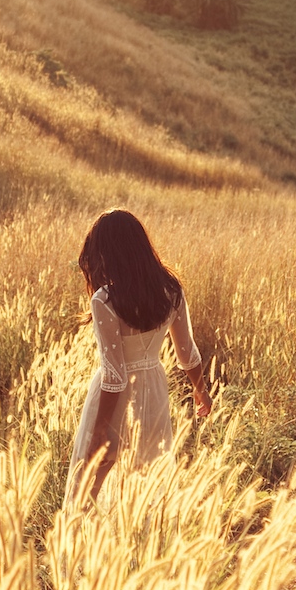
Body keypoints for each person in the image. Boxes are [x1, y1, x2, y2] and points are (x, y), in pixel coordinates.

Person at [69, 209, 211, 503]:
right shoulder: (170, 290)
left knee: (92, 480)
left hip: (114, 397)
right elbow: (187, 352)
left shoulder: (105, 299)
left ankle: (81, 544)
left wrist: (101, 429)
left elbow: (114, 375)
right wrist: (201, 390)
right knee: (146, 476)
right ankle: (140, 544)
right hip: (154, 390)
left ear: (108, 253)